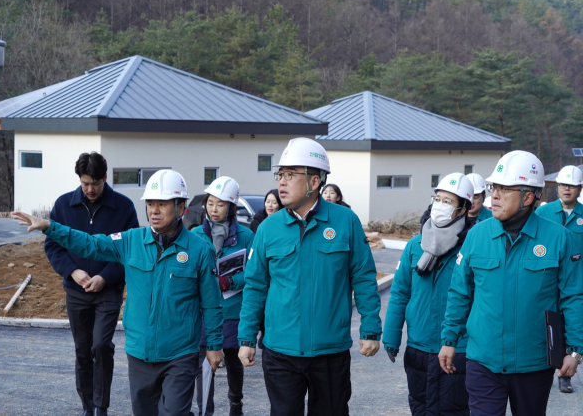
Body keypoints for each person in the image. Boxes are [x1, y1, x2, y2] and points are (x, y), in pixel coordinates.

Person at [15, 170, 224, 416]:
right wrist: (51, 227)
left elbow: (212, 303)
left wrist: (214, 345)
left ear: (181, 208)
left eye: (162, 204)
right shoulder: (131, 240)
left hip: (180, 353)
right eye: (150, 204)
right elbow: (91, 244)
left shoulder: (200, 249)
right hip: (140, 352)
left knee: (174, 413)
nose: (154, 210)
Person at [237, 137, 383, 416]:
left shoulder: (345, 221)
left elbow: (363, 277)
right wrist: (246, 337)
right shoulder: (268, 228)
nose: (281, 182)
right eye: (280, 174)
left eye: (290, 175)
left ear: (315, 182)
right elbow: (255, 286)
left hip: (329, 351)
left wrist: (371, 329)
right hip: (280, 351)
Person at [438, 151, 583, 416]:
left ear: (528, 197)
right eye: (494, 187)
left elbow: (573, 297)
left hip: (534, 363)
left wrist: (575, 350)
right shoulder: (476, 236)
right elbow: (460, 293)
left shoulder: (559, 239)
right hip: (483, 360)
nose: (494, 195)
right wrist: (449, 339)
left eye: (505, 189)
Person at [44, 152, 139, 416]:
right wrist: (72, 271)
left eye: (95, 183)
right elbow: (53, 245)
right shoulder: (64, 205)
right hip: (76, 291)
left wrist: (105, 277)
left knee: (101, 345)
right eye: (85, 183)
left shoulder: (123, 207)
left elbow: (129, 251)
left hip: (108, 292)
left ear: (105, 178)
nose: (90, 189)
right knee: (83, 350)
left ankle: (101, 407)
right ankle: (87, 405)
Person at [383, 173, 475, 416]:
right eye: (438, 199)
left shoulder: (471, 246)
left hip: (459, 347)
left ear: (463, 209)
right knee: (421, 407)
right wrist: (391, 336)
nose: (440, 206)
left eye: (449, 201)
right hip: (419, 346)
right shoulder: (416, 245)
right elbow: (400, 293)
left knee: (454, 409)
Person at [192, 177, 254, 416]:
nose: (214, 209)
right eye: (210, 203)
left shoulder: (247, 237)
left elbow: (257, 274)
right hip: (204, 311)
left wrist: (230, 281)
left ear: (231, 207)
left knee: (233, 362)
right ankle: (205, 411)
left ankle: (235, 405)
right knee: (204, 365)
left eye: (220, 204)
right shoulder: (195, 234)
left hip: (232, 311)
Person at [535, 165, 583, 393]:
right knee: (550, 325)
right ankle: (546, 366)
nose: (567, 189)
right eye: (563, 185)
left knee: (572, 323)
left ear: (579, 189)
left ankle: (566, 374)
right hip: (547, 278)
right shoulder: (543, 213)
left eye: (572, 186)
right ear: (557, 188)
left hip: (575, 280)